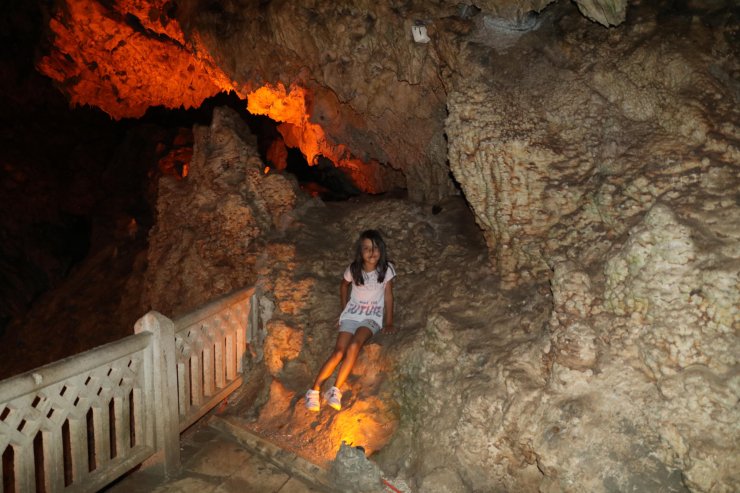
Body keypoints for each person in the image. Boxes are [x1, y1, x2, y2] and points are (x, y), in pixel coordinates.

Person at [305, 229, 396, 412]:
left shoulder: (386, 270)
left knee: (354, 346)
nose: (372, 253)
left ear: (382, 250)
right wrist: (343, 309)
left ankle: (335, 390)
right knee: (338, 352)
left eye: (376, 248)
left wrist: (389, 321)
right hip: (352, 314)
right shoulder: (354, 269)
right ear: (360, 252)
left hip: (371, 317)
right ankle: (314, 391)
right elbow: (343, 285)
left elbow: (388, 296)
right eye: (367, 248)